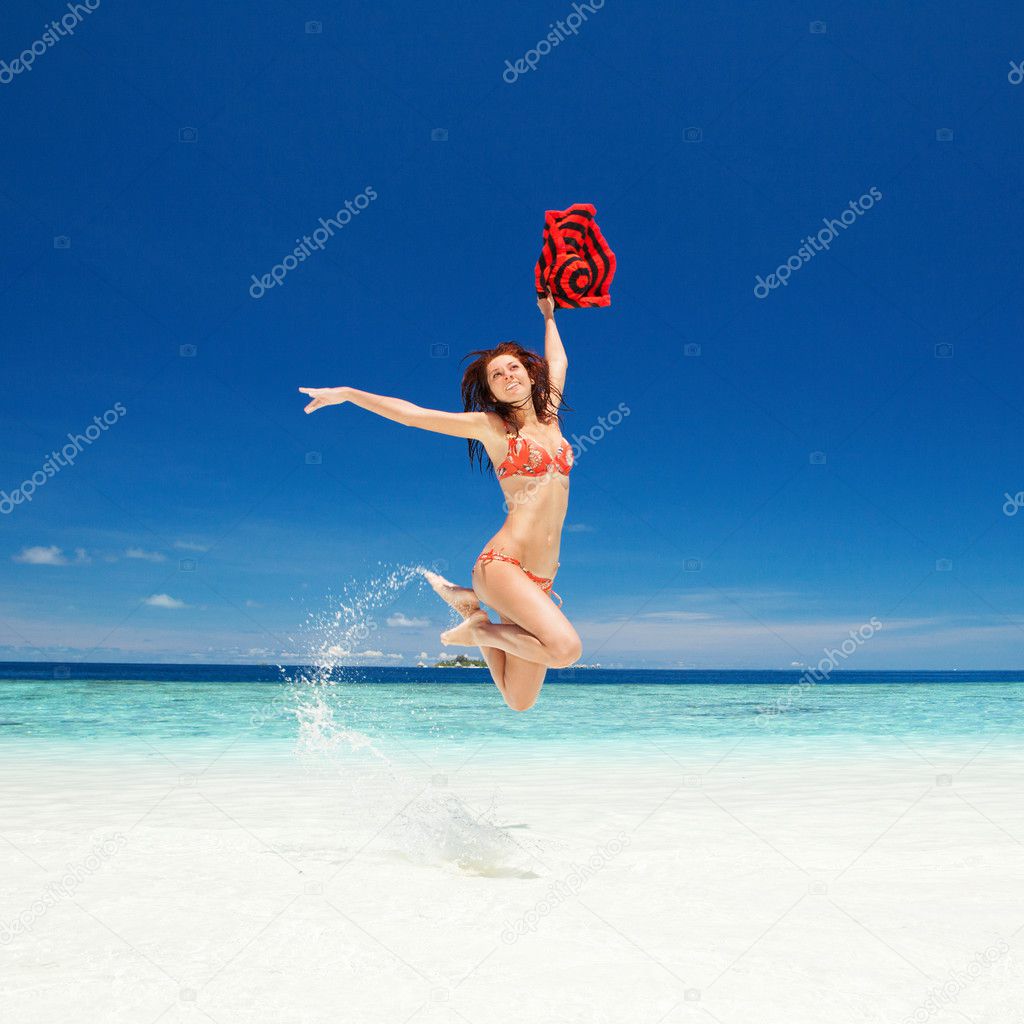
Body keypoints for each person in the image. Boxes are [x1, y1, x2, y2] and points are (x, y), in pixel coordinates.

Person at [298, 290, 582, 711]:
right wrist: (348, 393)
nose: (507, 376)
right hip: (503, 566)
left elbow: (558, 361)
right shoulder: (492, 428)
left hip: (541, 581)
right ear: (490, 392)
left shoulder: (552, 415)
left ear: (529, 372)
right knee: (565, 650)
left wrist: (549, 317)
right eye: (496, 376)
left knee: (518, 700)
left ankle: (473, 611)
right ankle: (480, 631)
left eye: (513, 368)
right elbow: (412, 414)